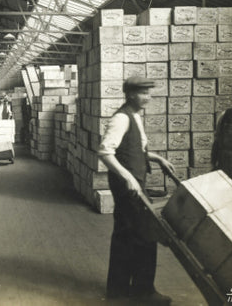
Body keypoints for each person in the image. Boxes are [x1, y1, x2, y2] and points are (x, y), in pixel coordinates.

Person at [97, 76, 175, 305]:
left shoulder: (135, 116)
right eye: (143, 93)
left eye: (149, 93)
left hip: (132, 182)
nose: (148, 98)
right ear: (130, 94)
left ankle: (119, 290)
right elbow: (105, 152)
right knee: (145, 234)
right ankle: (144, 291)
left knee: (125, 235)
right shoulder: (121, 119)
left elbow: (132, 150)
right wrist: (128, 176)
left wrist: (157, 158)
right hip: (127, 185)